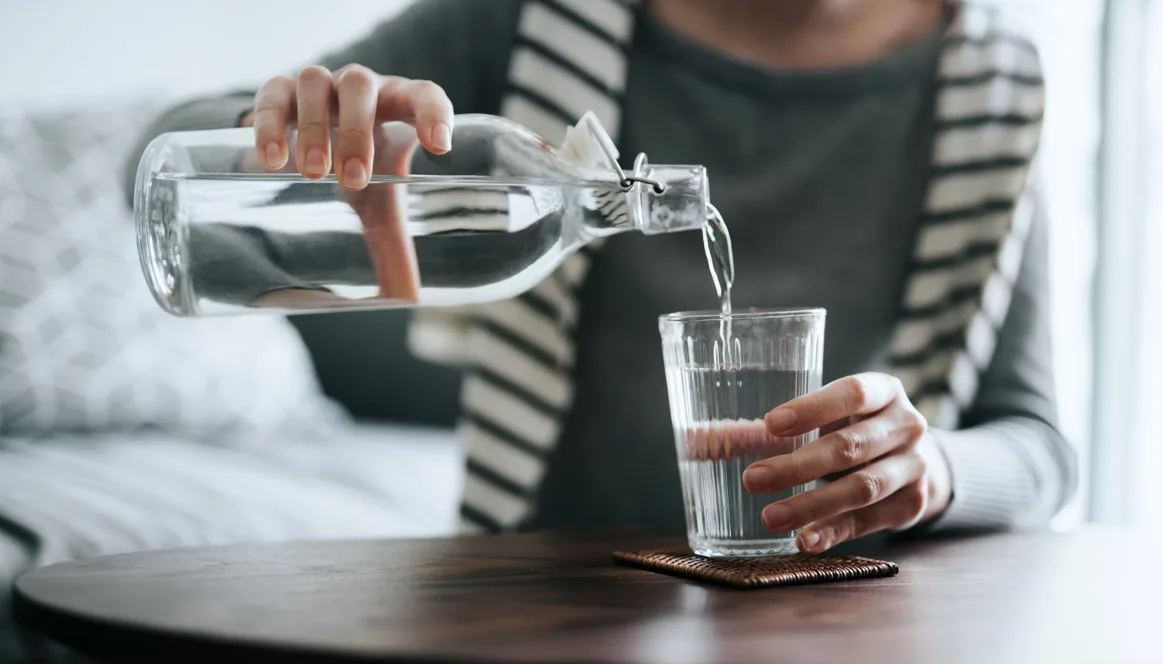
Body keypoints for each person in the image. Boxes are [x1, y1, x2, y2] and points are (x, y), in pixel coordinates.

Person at [130, 0, 1077, 553]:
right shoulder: (538, 20)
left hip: (846, 612)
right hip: (543, 593)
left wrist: (932, 467)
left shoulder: (990, 84)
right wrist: (290, 131)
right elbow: (158, 155)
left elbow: (1037, 444)